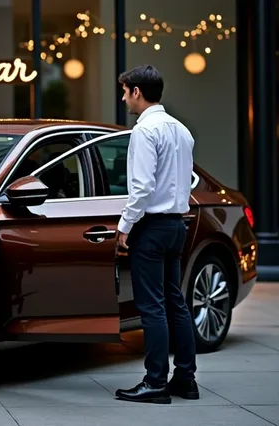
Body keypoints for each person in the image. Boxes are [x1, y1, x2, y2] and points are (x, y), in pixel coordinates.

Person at [113, 65, 199, 404]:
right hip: (177, 224)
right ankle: (185, 380)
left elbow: (142, 187)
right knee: (175, 303)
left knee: (152, 307)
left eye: (124, 91)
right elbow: (188, 180)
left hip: (151, 227)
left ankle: (155, 383)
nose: (123, 98)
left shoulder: (145, 131)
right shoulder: (182, 130)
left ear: (137, 92)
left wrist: (124, 226)